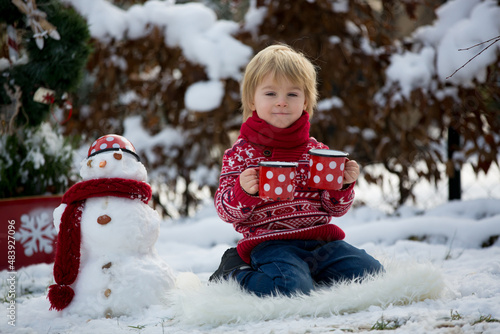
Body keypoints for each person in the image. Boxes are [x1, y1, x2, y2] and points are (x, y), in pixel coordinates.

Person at [210, 44, 383, 297]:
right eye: (270, 93)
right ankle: (235, 273)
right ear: (252, 100)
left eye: (292, 94)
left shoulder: (317, 152)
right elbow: (225, 211)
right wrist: (243, 191)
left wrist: (343, 186)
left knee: (372, 274)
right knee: (288, 290)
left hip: (322, 245)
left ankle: (308, 275)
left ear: (305, 102)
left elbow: (335, 209)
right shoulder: (240, 154)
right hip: (270, 244)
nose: (282, 102)